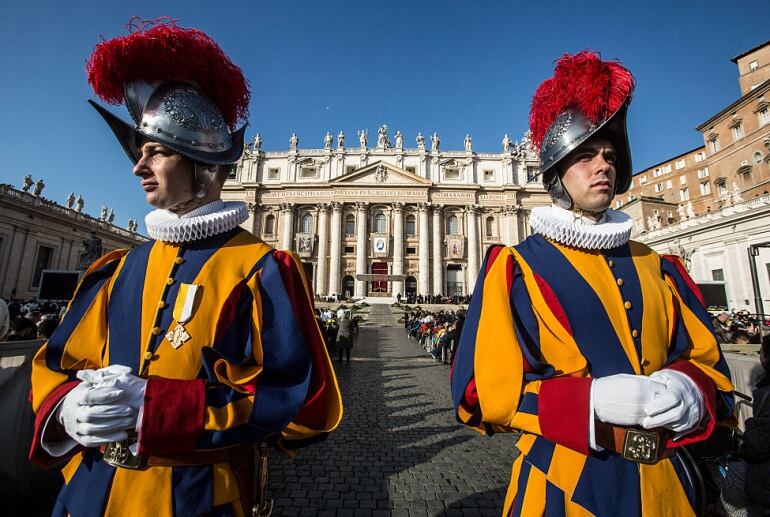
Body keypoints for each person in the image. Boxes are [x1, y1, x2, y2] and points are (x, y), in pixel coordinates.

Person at [29, 19, 342, 516]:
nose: (138, 167)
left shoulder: (261, 270)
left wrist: (161, 408)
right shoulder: (117, 268)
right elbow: (54, 363)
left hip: (200, 497)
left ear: (207, 165)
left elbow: (302, 404)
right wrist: (65, 406)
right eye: (140, 153)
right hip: (90, 495)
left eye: (156, 153)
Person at [451, 51, 734, 516]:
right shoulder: (518, 268)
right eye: (584, 156)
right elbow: (478, 392)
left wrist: (690, 391)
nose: (601, 165)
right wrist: (589, 401)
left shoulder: (659, 266)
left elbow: (714, 373)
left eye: (609, 155)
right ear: (557, 172)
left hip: (671, 491)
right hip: (564, 490)